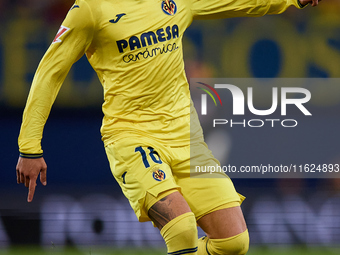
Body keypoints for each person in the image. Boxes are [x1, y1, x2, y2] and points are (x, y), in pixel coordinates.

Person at [16, 0, 320, 254]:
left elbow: (237, 1)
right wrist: (29, 148)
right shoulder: (91, 9)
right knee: (182, 229)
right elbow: (50, 71)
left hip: (186, 138)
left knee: (234, 242)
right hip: (131, 137)